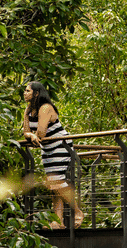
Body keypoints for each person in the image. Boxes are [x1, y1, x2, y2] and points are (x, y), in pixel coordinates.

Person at [22, 81, 84, 229]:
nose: (25, 93)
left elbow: (41, 133)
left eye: (27, 91)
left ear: (36, 93)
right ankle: (57, 221)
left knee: (57, 182)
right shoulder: (28, 110)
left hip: (60, 146)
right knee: (54, 185)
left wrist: (34, 135)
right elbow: (26, 132)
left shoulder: (45, 108)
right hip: (47, 149)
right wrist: (30, 135)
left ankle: (78, 211)